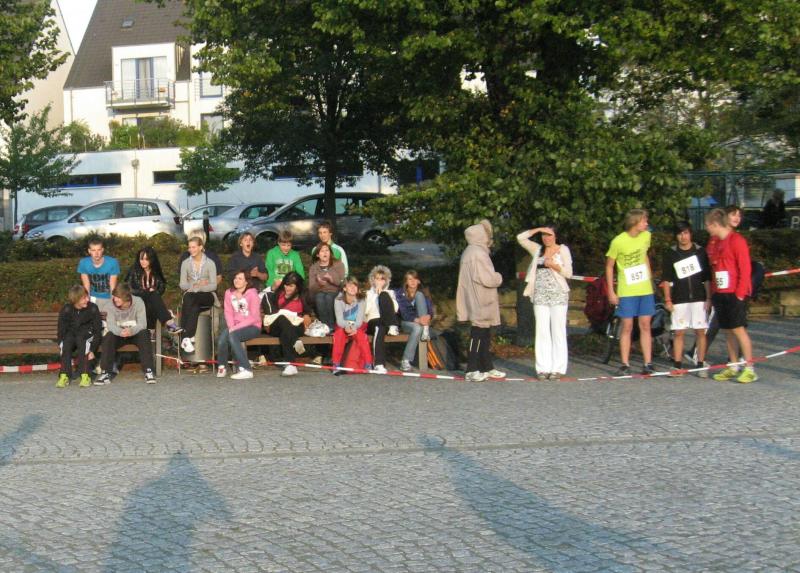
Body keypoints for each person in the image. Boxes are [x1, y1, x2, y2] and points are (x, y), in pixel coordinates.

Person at [705, 208, 758, 383]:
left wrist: (740, 294)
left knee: (739, 330)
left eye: (707, 225)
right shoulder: (716, 243)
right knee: (728, 330)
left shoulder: (737, 241)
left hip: (735, 292)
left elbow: (745, 268)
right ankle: (733, 365)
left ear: (714, 224)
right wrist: (714, 293)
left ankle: (749, 368)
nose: (706, 229)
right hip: (720, 292)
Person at [517, 225, 573, 380]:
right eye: (543, 235)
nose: (546, 238)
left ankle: (558, 368)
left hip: (558, 295)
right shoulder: (537, 250)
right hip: (540, 295)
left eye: (549, 234)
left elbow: (569, 273)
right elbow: (520, 238)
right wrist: (538, 229)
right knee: (542, 331)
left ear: (556, 236)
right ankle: (543, 368)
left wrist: (553, 265)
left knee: (558, 331)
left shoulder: (563, 250)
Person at [605, 208, 656, 375]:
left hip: (644, 288)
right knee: (627, 326)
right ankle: (625, 364)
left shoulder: (646, 236)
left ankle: (648, 363)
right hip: (627, 290)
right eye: (644, 221)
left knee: (645, 325)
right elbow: (609, 266)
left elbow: (644, 255)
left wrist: (650, 276)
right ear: (635, 222)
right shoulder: (618, 241)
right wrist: (611, 291)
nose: (646, 224)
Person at [660, 221, 712, 377]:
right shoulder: (671, 253)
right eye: (680, 234)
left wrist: (709, 297)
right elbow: (666, 279)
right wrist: (668, 299)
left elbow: (706, 277)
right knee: (679, 332)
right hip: (679, 297)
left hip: (699, 297)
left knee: (700, 331)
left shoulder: (700, 252)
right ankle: (677, 366)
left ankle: (700, 364)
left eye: (686, 233)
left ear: (691, 234)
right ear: (676, 236)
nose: (683, 237)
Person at [456, 220, 505, 382]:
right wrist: (498, 277)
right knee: (478, 334)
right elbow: (487, 279)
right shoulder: (479, 253)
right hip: (481, 298)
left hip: (474, 297)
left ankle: (486, 366)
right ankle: (471, 369)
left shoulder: (469, 251)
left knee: (484, 333)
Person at [95, 283, 156, 384]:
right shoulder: (110, 305)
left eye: (118, 297)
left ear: (126, 298)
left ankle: (148, 370)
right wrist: (120, 332)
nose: (115, 299)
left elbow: (142, 323)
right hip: (119, 334)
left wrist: (131, 331)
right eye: (115, 296)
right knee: (109, 337)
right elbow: (111, 325)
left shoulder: (138, 302)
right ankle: (105, 372)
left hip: (135, 333)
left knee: (144, 333)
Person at [216, 269, 262, 380]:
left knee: (233, 336)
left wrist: (235, 328)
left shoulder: (252, 294)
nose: (236, 280)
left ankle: (246, 369)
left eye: (240, 278)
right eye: (235, 278)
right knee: (222, 339)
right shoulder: (229, 293)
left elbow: (254, 317)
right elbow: (228, 312)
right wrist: (232, 326)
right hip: (235, 326)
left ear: (246, 282)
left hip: (252, 326)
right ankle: (222, 366)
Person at [125, 246, 181, 333]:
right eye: (141, 259)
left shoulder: (156, 271)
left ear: (151, 260)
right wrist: (146, 292)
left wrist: (154, 291)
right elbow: (129, 289)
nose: (143, 262)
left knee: (152, 299)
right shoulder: (134, 270)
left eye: (146, 259)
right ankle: (169, 323)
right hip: (136, 301)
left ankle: (150, 332)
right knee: (152, 296)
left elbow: (162, 287)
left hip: (151, 301)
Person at [262, 271, 307, 377]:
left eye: (291, 286)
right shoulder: (278, 294)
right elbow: (271, 311)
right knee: (283, 318)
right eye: (286, 285)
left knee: (287, 332)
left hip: (295, 325)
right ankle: (292, 359)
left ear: (297, 287)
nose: (287, 288)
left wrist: (306, 316)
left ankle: (291, 365)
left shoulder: (303, 296)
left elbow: (307, 313)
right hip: (277, 326)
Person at [56, 285, 102, 388]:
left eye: (87, 297)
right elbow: (61, 330)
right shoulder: (66, 309)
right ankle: (64, 376)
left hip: (88, 336)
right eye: (84, 298)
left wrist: (92, 349)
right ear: (75, 300)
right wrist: (61, 344)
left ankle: (85, 376)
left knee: (83, 342)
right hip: (72, 335)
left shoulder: (93, 308)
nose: (87, 300)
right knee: (66, 342)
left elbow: (97, 331)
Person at [178, 236, 218, 353]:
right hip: (191, 297)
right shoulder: (185, 263)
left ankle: (183, 335)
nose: (191, 250)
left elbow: (213, 286)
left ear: (201, 247)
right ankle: (187, 337)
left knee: (189, 298)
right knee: (193, 306)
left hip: (207, 295)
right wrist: (197, 284)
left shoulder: (210, 263)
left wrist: (198, 287)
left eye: (194, 247)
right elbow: (182, 285)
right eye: (189, 247)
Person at [332, 276, 373, 375]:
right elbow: (339, 320)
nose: (353, 288)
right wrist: (347, 327)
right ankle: (336, 364)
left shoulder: (361, 299)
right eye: (350, 286)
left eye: (355, 285)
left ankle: (368, 363)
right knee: (339, 335)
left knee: (361, 335)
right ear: (344, 288)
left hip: (358, 325)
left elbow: (359, 319)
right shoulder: (338, 300)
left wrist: (353, 328)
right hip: (343, 325)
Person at [364, 265, 400, 374]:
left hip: (386, 322)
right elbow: (365, 311)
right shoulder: (368, 293)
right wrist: (375, 295)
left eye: (382, 279)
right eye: (377, 278)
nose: (379, 281)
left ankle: (392, 326)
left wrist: (383, 295)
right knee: (379, 326)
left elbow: (395, 309)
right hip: (373, 321)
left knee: (384, 295)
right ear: (373, 280)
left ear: (386, 281)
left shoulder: (390, 293)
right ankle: (379, 364)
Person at [394, 270, 433, 372]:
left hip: (420, 323)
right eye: (410, 279)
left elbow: (430, 310)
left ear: (418, 281)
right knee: (417, 327)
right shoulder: (400, 293)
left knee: (418, 328)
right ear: (406, 282)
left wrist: (428, 316)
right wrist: (418, 320)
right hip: (405, 322)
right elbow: (403, 314)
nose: (413, 281)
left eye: (415, 279)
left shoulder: (423, 293)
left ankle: (405, 360)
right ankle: (425, 329)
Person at [307, 242, 345, 332]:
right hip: (320, 291)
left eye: (327, 250)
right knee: (320, 297)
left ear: (330, 253)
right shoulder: (313, 267)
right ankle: (325, 326)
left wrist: (332, 280)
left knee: (329, 297)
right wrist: (319, 283)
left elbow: (342, 283)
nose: (325, 253)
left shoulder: (338, 264)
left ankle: (332, 325)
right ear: (317, 254)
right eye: (322, 251)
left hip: (335, 291)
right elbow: (311, 288)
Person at [77, 238, 120, 313]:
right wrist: (88, 301)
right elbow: (86, 285)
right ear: (89, 251)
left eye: (99, 250)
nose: (96, 253)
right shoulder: (83, 263)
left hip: (107, 298)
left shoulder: (113, 262)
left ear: (102, 250)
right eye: (93, 250)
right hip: (92, 298)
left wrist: (113, 302)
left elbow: (112, 285)